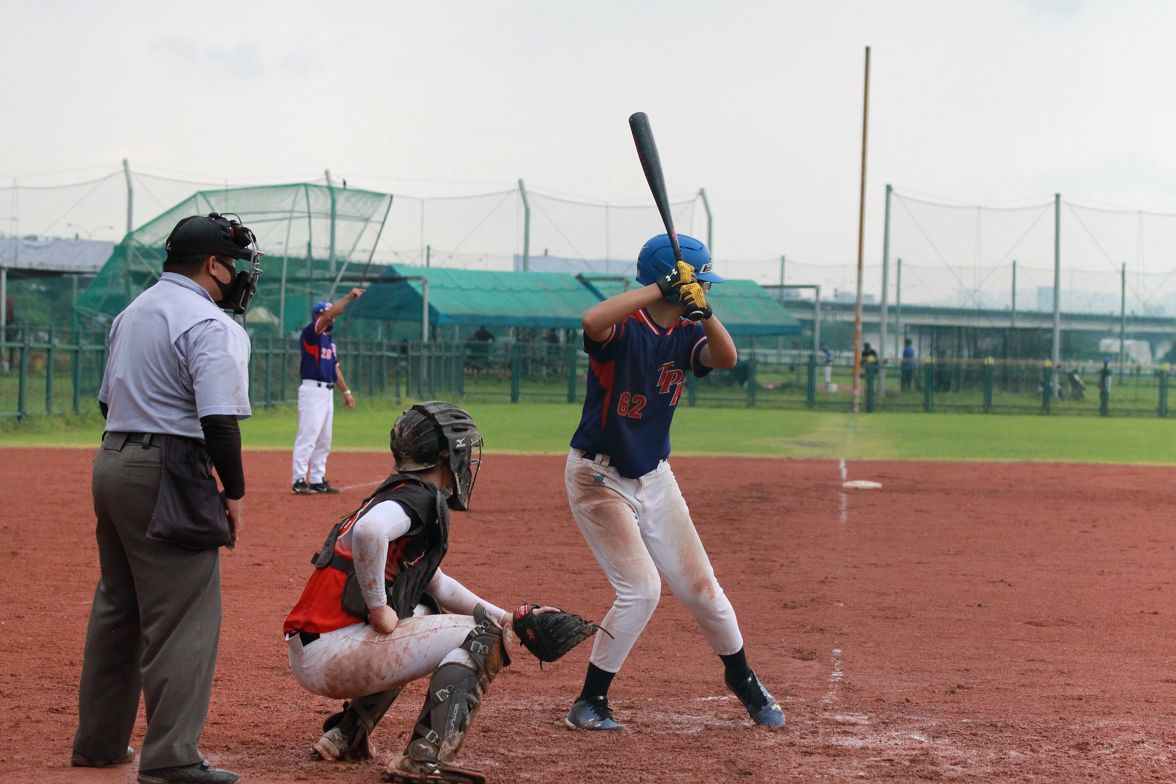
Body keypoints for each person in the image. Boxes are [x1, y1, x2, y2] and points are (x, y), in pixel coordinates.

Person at [563, 232, 785, 731]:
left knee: (702, 589)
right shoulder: (625, 327)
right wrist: (660, 288)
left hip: (655, 476)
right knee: (641, 589)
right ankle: (590, 701)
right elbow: (591, 322)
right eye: (700, 283)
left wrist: (704, 311)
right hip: (599, 476)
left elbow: (726, 358)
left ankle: (744, 680)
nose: (704, 289)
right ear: (667, 282)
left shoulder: (687, 332)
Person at [72, 212, 262, 784]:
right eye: (235, 264)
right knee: (183, 617)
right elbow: (218, 420)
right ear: (212, 265)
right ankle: (172, 758)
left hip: (113, 460)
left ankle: (100, 744)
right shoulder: (210, 323)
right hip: (169, 467)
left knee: (119, 608)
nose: (240, 275)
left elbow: (107, 403)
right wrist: (234, 492)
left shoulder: (132, 312)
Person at [284, 401, 553, 783]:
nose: (466, 460)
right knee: (484, 637)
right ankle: (424, 758)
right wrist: (379, 608)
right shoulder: (418, 498)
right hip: (335, 653)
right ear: (445, 457)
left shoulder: (397, 495)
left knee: (425, 608)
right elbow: (370, 532)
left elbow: (438, 584)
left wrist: (508, 618)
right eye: (462, 450)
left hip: (315, 649)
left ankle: (347, 734)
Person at [291, 289, 364, 495]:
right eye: (326, 314)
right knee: (308, 436)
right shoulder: (311, 333)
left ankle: (316, 479)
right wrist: (348, 298)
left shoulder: (329, 343)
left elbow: (335, 369)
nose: (331, 317)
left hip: (327, 392)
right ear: (318, 316)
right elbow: (331, 314)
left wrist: (346, 392)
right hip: (312, 390)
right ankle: (298, 480)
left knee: (324, 439)